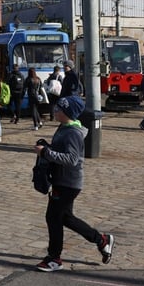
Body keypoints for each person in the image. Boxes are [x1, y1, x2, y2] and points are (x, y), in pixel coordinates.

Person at [33, 96, 115, 272]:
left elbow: (71, 159)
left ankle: (54, 258)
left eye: (58, 110)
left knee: (53, 218)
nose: (55, 111)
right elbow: (61, 150)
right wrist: (47, 146)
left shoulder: (73, 133)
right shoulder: (64, 127)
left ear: (67, 113)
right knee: (65, 218)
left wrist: (46, 152)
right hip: (61, 180)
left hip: (68, 182)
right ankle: (101, 240)